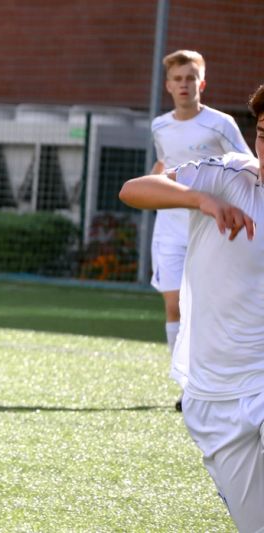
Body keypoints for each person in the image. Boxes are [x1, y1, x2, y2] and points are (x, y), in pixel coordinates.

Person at [119, 83, 264, 532]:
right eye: (263, 133)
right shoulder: (228, 174)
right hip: (213, 393)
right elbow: (134, 189)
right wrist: (201, 199)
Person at [148, 50, 253, 411]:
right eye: (177, 79)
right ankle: (186, 387)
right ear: (168, 85)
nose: (184, 85)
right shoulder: (159, 126)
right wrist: (153, 183)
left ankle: (211, 381)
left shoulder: (221, 124)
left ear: (202, 83)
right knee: (173, 305)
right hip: (169, 226)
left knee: (203, 307)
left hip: (209, 227)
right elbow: (163, 164)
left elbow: (247, 166)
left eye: (190, 78)